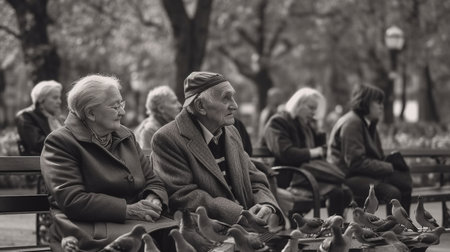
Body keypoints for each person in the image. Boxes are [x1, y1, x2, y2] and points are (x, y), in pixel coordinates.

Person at [40, 74, 176, 252]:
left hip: (136, 221)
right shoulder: (60, 142)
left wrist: (154, 198)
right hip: (89, 227)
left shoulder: (125, 135)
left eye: (122, 103)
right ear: (90, 113)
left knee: (182, 235)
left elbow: (152, 180)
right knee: (141, 242)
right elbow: (73, 200)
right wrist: (128, 210)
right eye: (115, 106)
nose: (122, 112)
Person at [151, 71, 283, 225]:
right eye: (226, 98)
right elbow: (183, 196)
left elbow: (254, 178)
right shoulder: (167, 138)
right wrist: (239, 214)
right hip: (206, 233)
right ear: (201, 106)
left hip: (247, 229)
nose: (235, 105)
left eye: (232, 97)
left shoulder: (231, 131)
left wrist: (267, 205)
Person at [261, 87, 352, 217]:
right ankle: (334, 229)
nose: (314, 112)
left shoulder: (306, 125)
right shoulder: (278, 122)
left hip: (307, 175)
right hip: (289, 176)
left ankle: (336, 229)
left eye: (315, 109)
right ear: (298, 104)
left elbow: (323, 151)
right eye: (311, 107)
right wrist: (315, 152)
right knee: (337, 192)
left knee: (344, 192)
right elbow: (286, 153)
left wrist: (318, 132)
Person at [327, 84, 413, 215]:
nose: (381, 106)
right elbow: (355, 162)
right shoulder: (352, 123)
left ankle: (401, 227)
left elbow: (374, 157)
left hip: (363, 175)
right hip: (347, 177)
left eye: (382, 102)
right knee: (392, 192)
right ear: (365, 102)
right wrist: (389, 167)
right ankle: (391, 230)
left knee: (404, 184)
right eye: (377, 102)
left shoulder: (367, 122)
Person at [16, 80, 64, 156]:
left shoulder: (59, 119)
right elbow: (37, 144)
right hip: (36, 164)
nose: (59, 101)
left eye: (59, 98)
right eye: (55, 98)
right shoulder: (26, 116)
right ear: (41, 100)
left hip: (59, 161)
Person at [134, 85, 181, 151]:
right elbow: (148, 159)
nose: (179, 105)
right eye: (174, 102)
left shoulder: (169, 125)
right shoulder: (149, 130)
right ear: (161, 108)